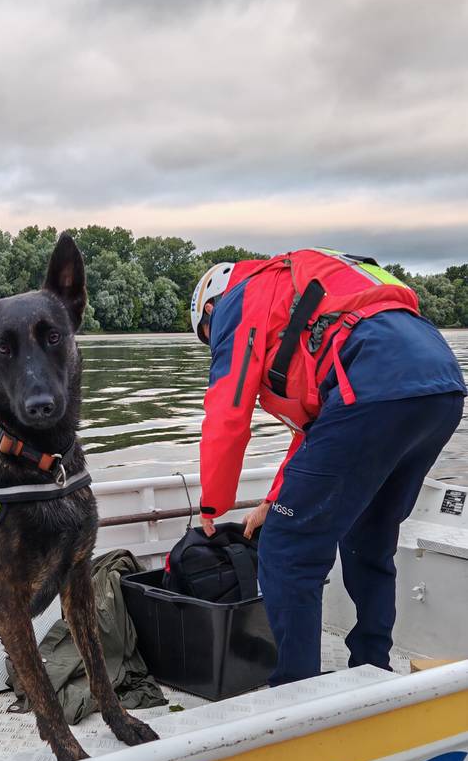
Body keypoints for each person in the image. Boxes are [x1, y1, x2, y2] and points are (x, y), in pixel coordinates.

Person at [191, 248, 466, 687]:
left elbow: (228, 410)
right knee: (369, 537)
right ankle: (371, 669)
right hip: (441, 384)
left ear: (210, 307)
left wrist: (211, 506)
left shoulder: (237, 299)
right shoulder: (300, 289)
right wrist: (273, 500)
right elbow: (316, 434)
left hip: (372, 383)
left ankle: (297, 693)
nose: (215, 343)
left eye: (208, 335)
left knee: (287, 549)